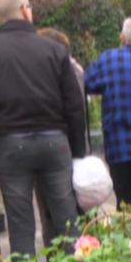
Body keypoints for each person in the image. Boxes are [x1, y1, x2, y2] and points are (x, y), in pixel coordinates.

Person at [0, 0, 85, 257]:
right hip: (55, 142)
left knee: (20, 226)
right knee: (67, 219)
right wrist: (77, 152)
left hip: (9, 144)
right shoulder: (54, 49)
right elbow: (74, 105)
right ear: (26, 10)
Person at [85, 17, 131, 209]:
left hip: (120, 144)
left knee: (124, 204)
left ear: (122, 37)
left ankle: (126, 237)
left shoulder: (108, 59)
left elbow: (84, 84)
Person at [34, 28, 85, 249]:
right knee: (73, 211)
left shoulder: (42, 70)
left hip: (52, 144)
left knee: (48, 210)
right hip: (69, 145)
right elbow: (78, 109)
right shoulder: (77, 70)